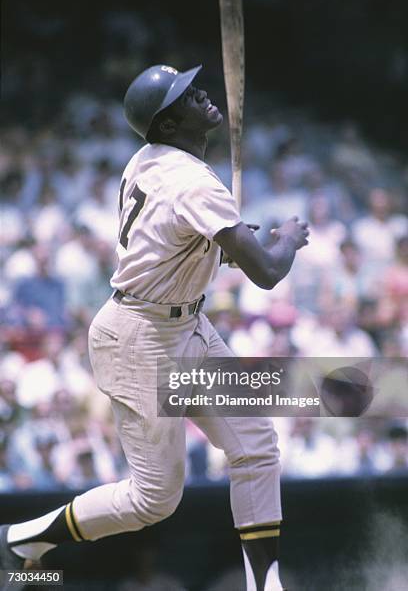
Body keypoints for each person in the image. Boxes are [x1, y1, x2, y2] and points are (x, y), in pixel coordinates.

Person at [0, 64, 309, 591]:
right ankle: (23, 538)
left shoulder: (151, 159)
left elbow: (171, 242)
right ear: (167, 125)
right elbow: (266, 273)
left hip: (183, 322)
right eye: (186, 96)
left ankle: (266, 584)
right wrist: (286, 239)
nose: (203, 94)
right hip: (140, 337)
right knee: (155, 498)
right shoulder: (190, 179)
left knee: (256, 444)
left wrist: (222, 245)